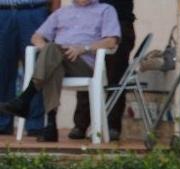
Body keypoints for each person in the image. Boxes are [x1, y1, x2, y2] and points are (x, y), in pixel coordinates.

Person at [0, 0, 119, 142]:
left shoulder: (105, 10)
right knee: (53, 62)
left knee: (52, 53)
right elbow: (36, 37)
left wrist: (84, 48)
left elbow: (112, 41)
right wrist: (48, 53)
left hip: (83, 65)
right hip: (58, 62)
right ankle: (51, 126)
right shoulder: (62, 12)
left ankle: (25, 98)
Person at [69, 0, 134, 141]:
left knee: (115, 75)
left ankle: (112, 126)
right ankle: (81, 125)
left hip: (119, 21)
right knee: (87, 70)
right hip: (91, 23)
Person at [0, 0, 59, 137]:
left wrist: (55, 16)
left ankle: (35, 123)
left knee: (37, 68)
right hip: (2, 12)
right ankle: (2, 122)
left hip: (34, 11)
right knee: (2, 70)